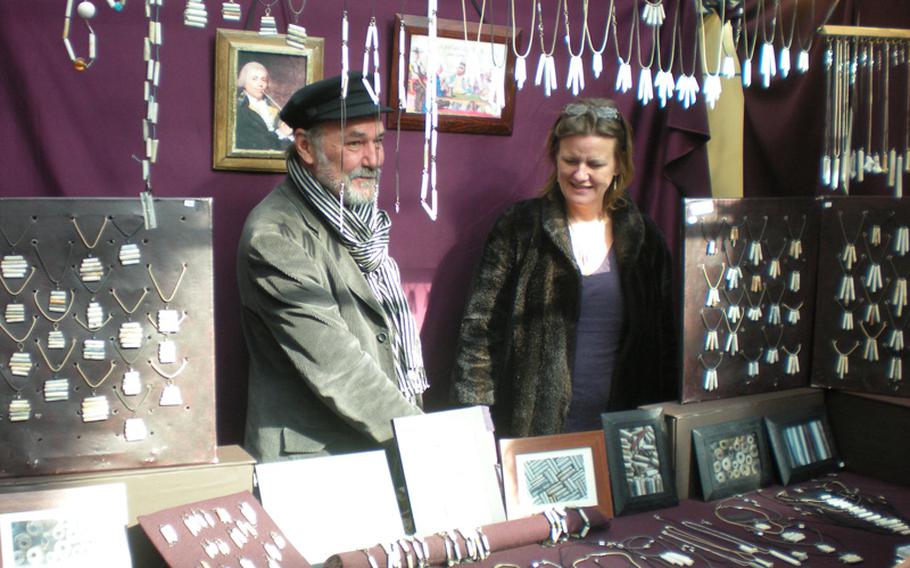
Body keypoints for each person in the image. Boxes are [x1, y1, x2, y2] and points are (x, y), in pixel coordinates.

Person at [451, 98, 677, 437]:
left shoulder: (646, 240)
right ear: (555, 157)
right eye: (570, 160)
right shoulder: (519, 228)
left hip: (622, 436)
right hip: (533, 436)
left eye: (595, 163)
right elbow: (480, 331)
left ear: (618, 165)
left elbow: (665, 345)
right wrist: (475, 418)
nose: (580, 174)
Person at [237, 72, 427, 462]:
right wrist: (427, 443)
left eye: (378, 141)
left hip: (379, 449)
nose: (373, 159)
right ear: (306, 147)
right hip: (318, 466)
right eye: (355, 143)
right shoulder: (274, 238)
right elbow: (339, 369)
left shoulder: (360, 220)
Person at [235, 61, 293, 151]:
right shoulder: (238, 110)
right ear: (244, 82)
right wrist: (280, 133)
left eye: (263, 80)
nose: (260, 84)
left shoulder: (273, 109)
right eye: (254, 79)